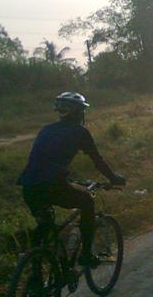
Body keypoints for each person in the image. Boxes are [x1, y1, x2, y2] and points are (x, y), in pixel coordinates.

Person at [17, 92, 126, 267]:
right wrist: (114, 178)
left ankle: (34, 271)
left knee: (45, 225)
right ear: (79, 113)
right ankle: (86, 255)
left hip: (29, 186)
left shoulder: (46, 130)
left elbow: (44, 162)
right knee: (87, 202)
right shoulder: (80, 132)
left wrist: (67, 179)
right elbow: (97, 160)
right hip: (53, 186)